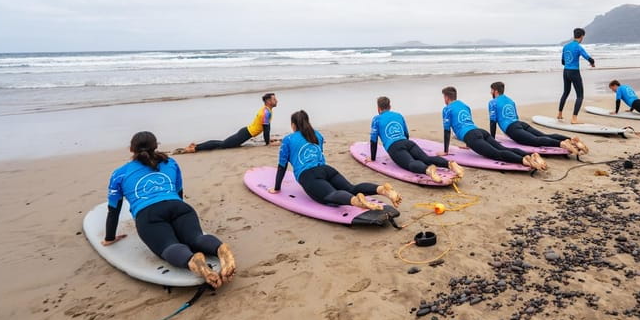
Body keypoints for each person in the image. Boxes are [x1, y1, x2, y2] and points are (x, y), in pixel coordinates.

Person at [103, 131, 236, 288]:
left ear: (131, 149)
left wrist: (109, 238)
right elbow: (179, 193)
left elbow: (113, 210)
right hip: (180, 208)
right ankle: (221, 249)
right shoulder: (170, 163)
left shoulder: (119, 174)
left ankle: (193, 260)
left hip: (148, 215)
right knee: (195, 238)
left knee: (169, 246)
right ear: (156, 146)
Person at [270, 110, 402, 211]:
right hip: (326, 170)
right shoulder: (317, 135)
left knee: (330, 196)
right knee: (352, 187)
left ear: (293, 125)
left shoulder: (288, 140)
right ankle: (383, 190)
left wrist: (276, 188)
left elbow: (282, 166)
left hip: (308, 175)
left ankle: (357, 202)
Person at [442, 86, 547, 170]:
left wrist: (446, 151)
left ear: (446, 97)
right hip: (481, 132)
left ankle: (523, 160)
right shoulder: (464, 105)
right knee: (503, 149)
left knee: (496, 154)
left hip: (472, 137)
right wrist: (468, 145)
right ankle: (531, 155)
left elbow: (447, 131)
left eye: (444, 97)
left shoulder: (447, 109)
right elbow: (467, 122)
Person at [369, 96, 464, 182]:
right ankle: (450, 164)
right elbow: (406, 134)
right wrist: (407, 149)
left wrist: (373, 158)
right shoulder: (398, 115)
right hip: (408, 143)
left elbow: (373, 140)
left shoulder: (376, 119)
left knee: (411, 163)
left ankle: (428, 170)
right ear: (390, 106)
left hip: (394, 147)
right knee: (426, 158)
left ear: (378, 108)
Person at [489, 81, 589, 154]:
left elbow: (493, 122)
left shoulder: (492, 102)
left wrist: (492, 140)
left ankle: (561, 143)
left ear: (496, 91)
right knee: (545, 135)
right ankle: (571, 139)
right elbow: (515, 116)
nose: (490, 92)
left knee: (535, 141)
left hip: (512, 129)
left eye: (491, 90)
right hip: (521, 124)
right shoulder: (510, 101)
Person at [179, 93, 279, 153]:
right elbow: (266, 129)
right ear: (268, 101)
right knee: (222, 145)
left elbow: (266, 129)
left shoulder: (267, 110)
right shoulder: (265, 113)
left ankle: (196, 146)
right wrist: (268, 143)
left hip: (245, 132)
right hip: (245, 134)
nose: (276, 101)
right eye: (274, 99)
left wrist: (269, 140)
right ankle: (195, 148)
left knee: (222, 143)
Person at [557, 28, 595, 124]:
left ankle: (559, 114)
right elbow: (588, 57)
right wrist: (592, 63)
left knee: (565, 92)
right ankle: (574, 119)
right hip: (574, 72)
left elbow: (563, 61)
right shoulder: (578, 47)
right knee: (580, 96)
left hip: (566, 72)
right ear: (582, 36)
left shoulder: (565, 46)